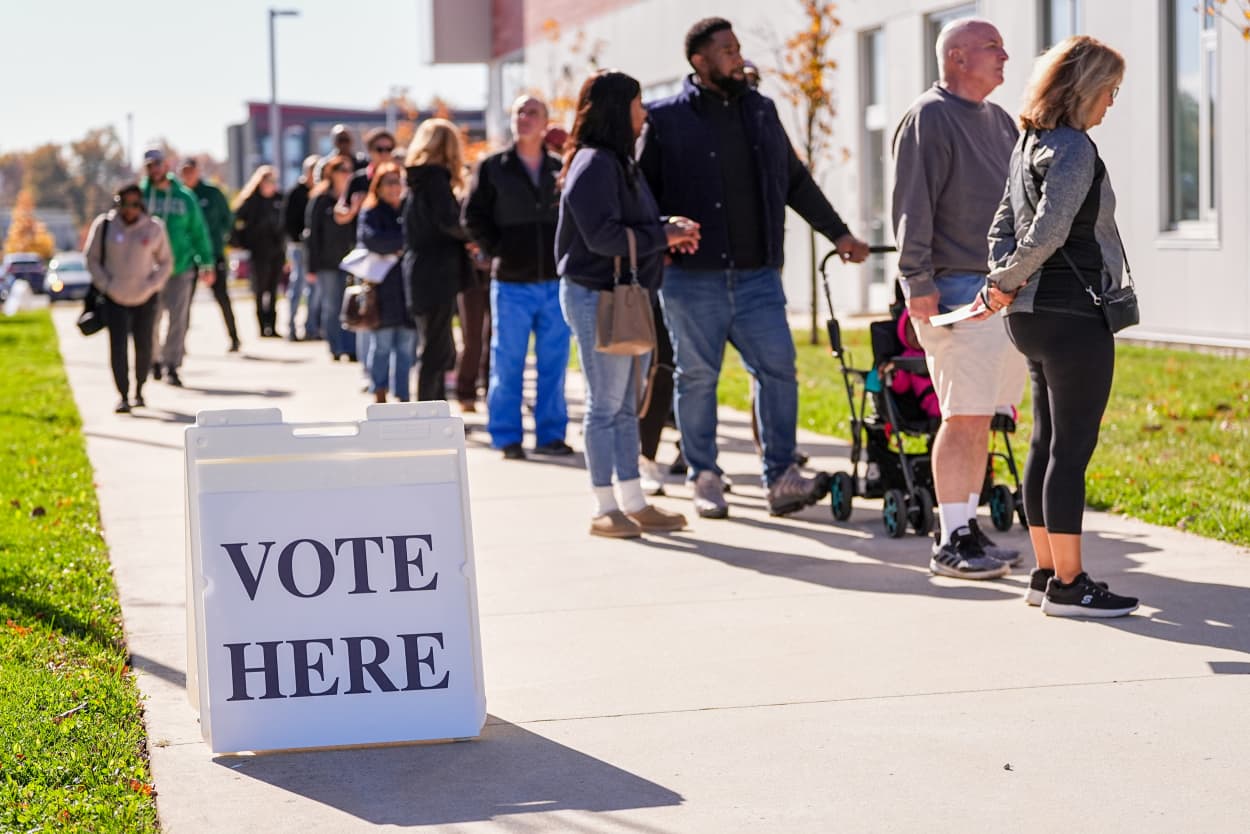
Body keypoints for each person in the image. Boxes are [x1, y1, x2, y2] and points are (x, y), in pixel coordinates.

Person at [639, 17, 870, 519]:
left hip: (758, 276)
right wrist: (663, 227)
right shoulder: (663, 120)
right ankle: (704, 474)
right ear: (699, 61)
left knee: (779, 370)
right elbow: (639, 194)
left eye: (738, 48)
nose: (738, 57)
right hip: (691, 278)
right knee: (697, 377)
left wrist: (840, 233)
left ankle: (781, 475)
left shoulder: (762, 112)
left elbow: (795, 181)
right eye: (727, 50)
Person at [981, 36, 1138, 617]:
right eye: (1110, 91)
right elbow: (1048, 230)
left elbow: (1002, 223)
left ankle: (1047, 573)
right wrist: (1009, 278)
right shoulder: (1073, 147)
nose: (1112, 103)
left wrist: (1001, 279)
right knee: (1071, 451)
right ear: (1084, 88)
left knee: (1046, 443)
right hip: (1073, 314)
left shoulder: (1030, 143)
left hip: (1030, 319)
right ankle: (1072, 588)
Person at [891, 17, 1026, 579]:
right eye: (993, 46)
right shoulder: (928, 117)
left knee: (981, 418)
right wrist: (917, 285)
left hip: (1001, 290)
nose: (1006, 55)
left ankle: (966, 528)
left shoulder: (999, 121)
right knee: (962, 415)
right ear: (957, 58)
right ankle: (949, 542)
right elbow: (911, 206)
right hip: (954, 290)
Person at [557, 70, 699, 538]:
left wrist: (665, 225)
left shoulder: (617, 162)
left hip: (618, 295)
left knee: (623, 407)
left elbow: (624, 222)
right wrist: (664, 235)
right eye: (639, 104)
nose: (645, 113)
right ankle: (604, 506)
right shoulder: (595, 162)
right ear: (620, 109)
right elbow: (602, 236)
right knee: (606, 405)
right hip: (598, 295)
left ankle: (633, 500)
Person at [463, 95, 574, 460]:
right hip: (511, 281)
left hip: (555, 284)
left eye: (532, 112)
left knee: (553, 363)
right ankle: (506, 435)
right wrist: (498, 248)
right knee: (507, 361)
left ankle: (550, 435)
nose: (524, 118)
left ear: (545, 122)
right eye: (518, 112)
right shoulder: (493, 166)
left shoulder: (561, 167)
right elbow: (472, 216)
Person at [83, 184, 173, 413]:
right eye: (126, 204)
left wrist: (152, 285)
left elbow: (165, 262)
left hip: (145, 298)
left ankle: (140, 390)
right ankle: (123, 394)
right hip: (115, 297)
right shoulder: (105, 226)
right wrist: (106, 284)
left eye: (135, 204)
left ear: (140, 204)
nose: (130, 209)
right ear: (118, 203)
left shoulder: (153, 228)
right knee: (118, 348)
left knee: (144, 346)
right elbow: (91, 258)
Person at [402, 119, 472, 402]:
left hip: (420, 269)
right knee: (435, 350)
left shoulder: (417, 181)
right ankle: (427, 413)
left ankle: (435, 410)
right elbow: (450, 222)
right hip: (437, 273)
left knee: (436, 346)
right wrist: (474, 232)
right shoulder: (436, 180)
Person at [140, 148, 214, 387]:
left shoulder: (184, 197)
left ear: (166, 165)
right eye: (150, 165)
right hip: (148, 270)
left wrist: (206, 262)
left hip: (180, 267)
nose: (155, 169)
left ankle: (172, 364)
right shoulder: (140, 196)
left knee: (178, 319)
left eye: (158, 164)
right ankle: (153, 359)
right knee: (151, 319)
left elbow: (199, 231)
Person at [338, 129, 397, 385]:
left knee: (393, 317)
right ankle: (369, 373)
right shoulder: (359, 179)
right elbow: (340, 214)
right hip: (366, 257)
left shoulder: (398, 178)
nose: (384, 154)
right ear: (370, 151)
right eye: (379, 149)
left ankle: (392, 375)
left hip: (393, 258)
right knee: (365, 311)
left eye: (388, 149)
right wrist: (354, 209)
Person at [359, 162, 417, 402]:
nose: (394, 188)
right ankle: (379, 390)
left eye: (398, 182)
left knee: (406, 348)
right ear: (379, 186)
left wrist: (397, 245)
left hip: (409, 290)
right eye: (389, 182)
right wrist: (401, 244)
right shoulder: (371, 212)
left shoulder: (409, 210)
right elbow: (373, 241)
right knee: (381, 346)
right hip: (381, 290)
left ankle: (403, 394)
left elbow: (417, 237)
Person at [178, 158, 240, 352]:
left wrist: (218, 240)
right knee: (184, 301)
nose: (188, 175)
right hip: (188, 257)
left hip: (213, 254)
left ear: (198, 171)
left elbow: (228, 219)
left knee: (222, 296)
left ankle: (234, 338)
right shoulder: (181, 196)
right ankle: (179, 342)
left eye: (191, 171)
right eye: (185, 171)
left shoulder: (212, 193)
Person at [305, 154, 358, 361]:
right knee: (332, 306)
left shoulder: (353, 197)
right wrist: (311, 266)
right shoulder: (320, 199)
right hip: (327, 262)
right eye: (342, 170)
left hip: (351, 261)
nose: (347, 174)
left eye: (348, 170)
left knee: (351, 304)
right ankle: (336, 346)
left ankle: (351, 347)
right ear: (332, 173)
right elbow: (312, 234)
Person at [231, 166, 286, 338]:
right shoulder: (251, 201)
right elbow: (235, 222)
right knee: (260, 290)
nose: (271, 185)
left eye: (273, 181)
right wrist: (240, 241)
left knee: (273, 289)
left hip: (277, 250)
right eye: (268, 181)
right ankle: (262, 326)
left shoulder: (280, 200)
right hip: (258, 251)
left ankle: (273, 325)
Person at [284, 154, 321, 341]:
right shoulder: (295, 193)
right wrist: (300, 237)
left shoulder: (321, 194)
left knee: (315, 290)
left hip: (316, 248)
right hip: (299, 247)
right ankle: (290, 326)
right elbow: (287, 222)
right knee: (297, 286)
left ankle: (311, 327)